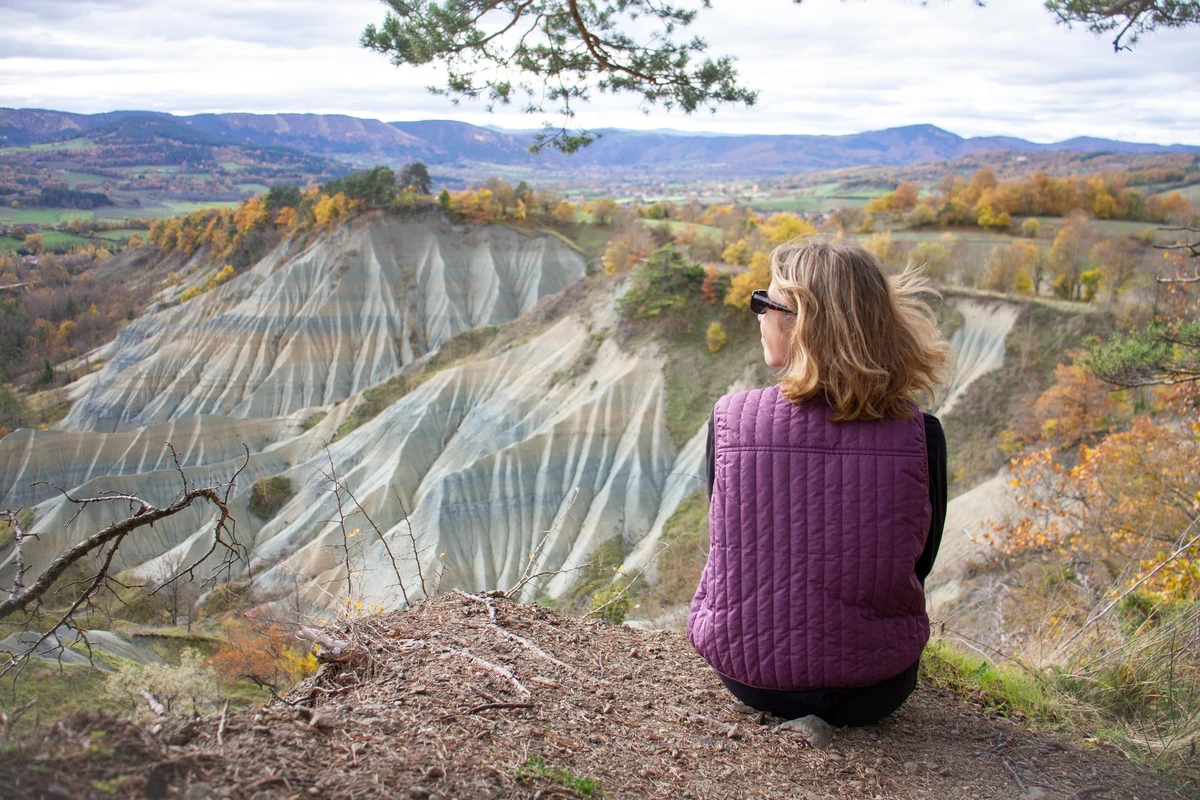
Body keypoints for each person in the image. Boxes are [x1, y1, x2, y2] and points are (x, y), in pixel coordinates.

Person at [687, 236, 951, 728]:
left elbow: (726, 543)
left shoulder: (730, 420)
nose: (758, 315)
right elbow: (920, 559)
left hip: (746, 674)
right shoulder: (921, 434)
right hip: (877, 686)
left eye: (764, 302)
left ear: (803, 321)